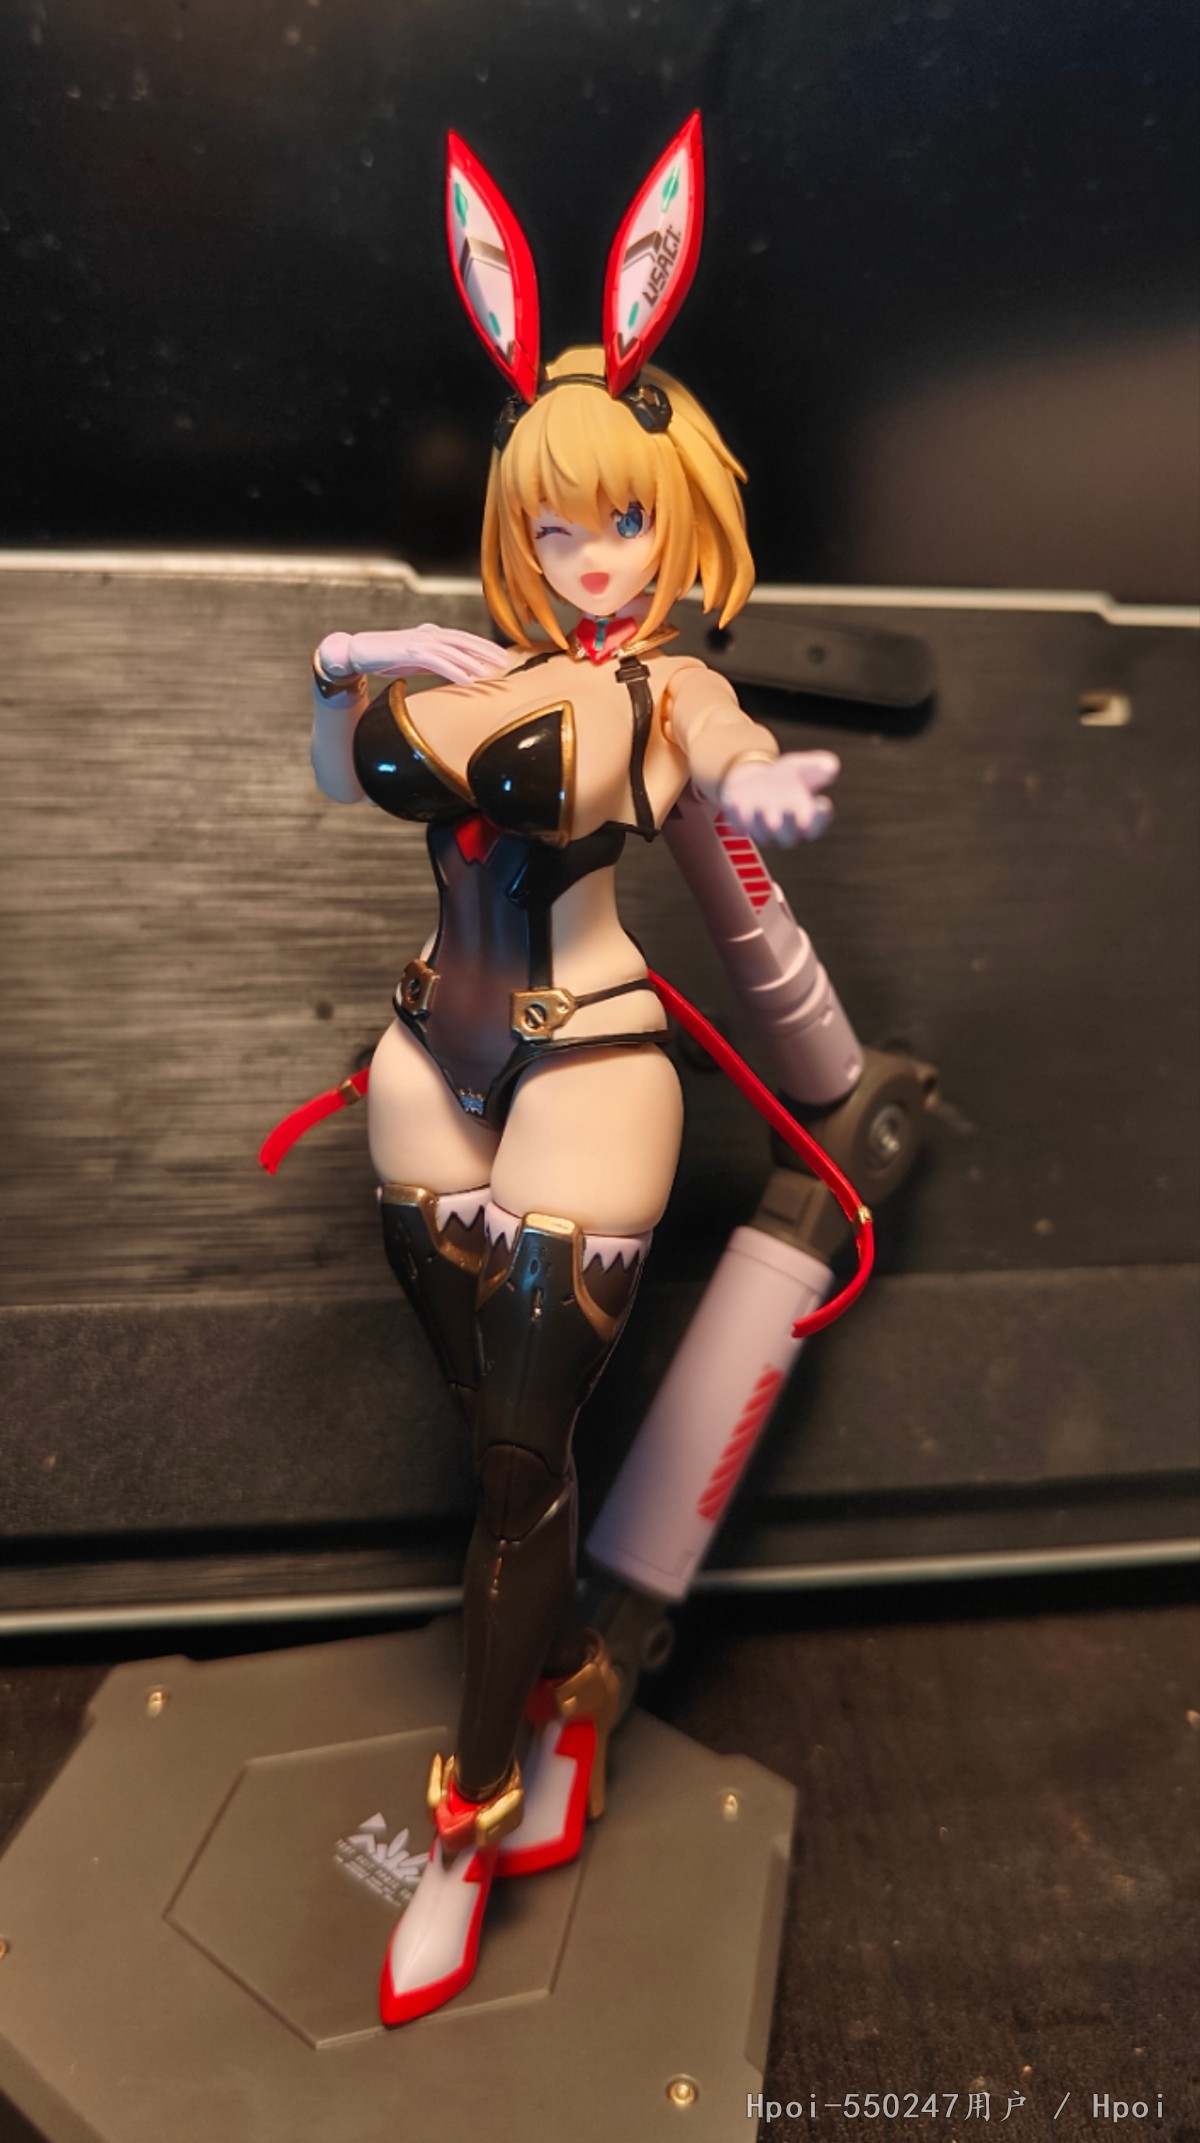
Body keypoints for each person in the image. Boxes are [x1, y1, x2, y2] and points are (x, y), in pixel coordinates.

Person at [309, 119, 838, 2025]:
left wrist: (763, 786)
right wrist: (360, 659)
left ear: (673, 523)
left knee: (521, 1464)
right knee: (502, 1461)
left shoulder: (660, 683)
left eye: (617, 524)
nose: (588, 558)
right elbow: (340, 764)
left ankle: (464, 1819)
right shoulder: (492, 664)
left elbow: (724, 739)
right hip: (420, 1064)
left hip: (590, 1064)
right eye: (554, 528)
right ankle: (571, 1690)